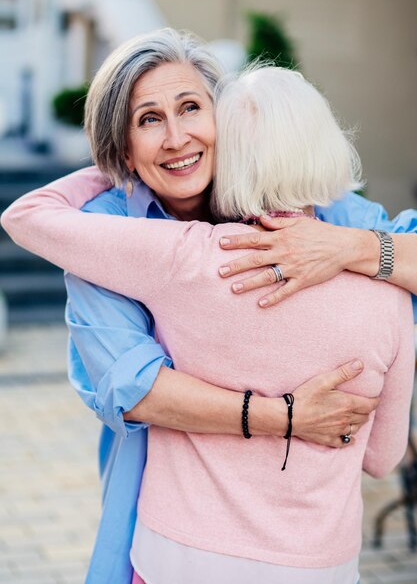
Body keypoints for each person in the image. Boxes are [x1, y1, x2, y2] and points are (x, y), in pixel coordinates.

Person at [2, 29, 417, 584]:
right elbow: (136, 386)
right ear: (123, 143)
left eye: (192, 108)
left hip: (294, 539)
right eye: (148, 120)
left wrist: (354, 247)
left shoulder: (308, 202)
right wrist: (288, 416)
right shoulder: (106, 231)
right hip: (166, 509)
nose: (176, 137)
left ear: (224, 118)